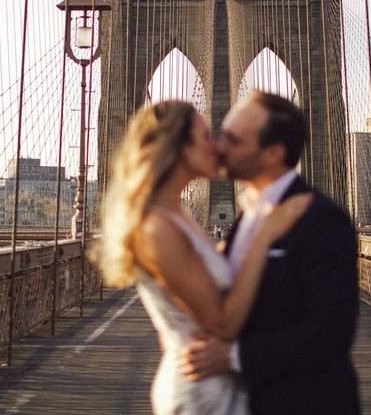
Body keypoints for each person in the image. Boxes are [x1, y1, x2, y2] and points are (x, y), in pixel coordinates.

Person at [98, 100, 312, 414]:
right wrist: (264, 235)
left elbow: (206, 274)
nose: (218, 147)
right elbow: (222, 322)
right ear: (178, 148)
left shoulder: (179, 216)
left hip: (223, 383)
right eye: (206, 136)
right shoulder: (156, 228)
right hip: (200, 391)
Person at [179, 91, 361, 415]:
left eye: (234, 140)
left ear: (273, 153)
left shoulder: (320, 218)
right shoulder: (248, 215)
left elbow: (332, 333)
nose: (220, 148)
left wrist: (233, 356)